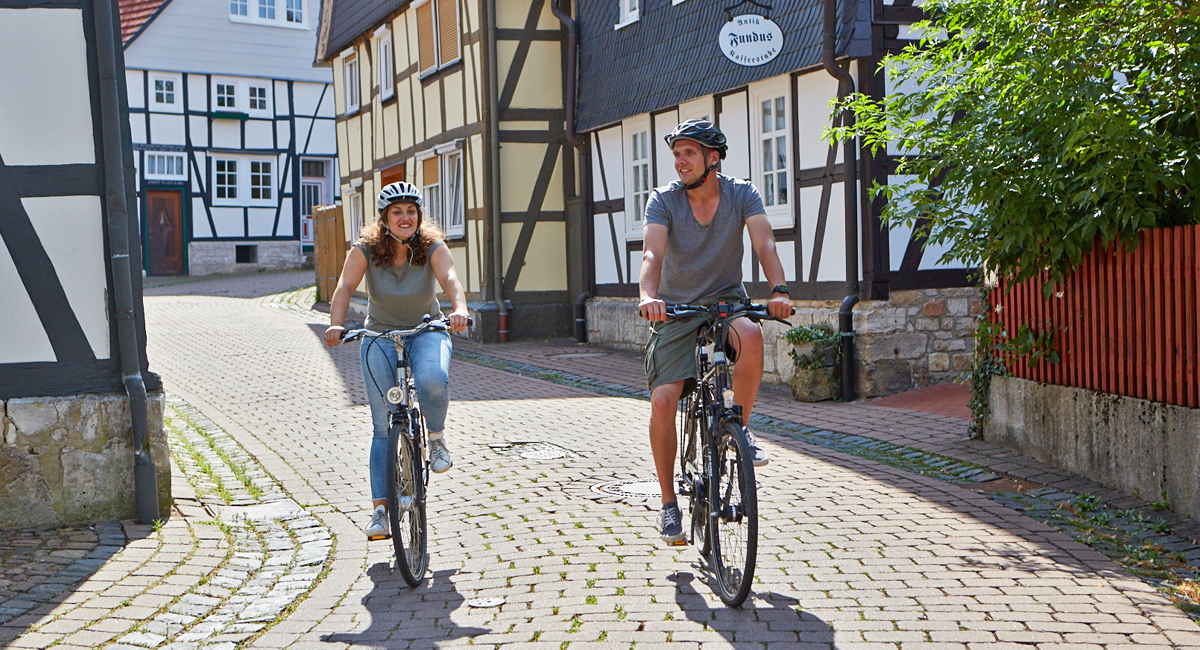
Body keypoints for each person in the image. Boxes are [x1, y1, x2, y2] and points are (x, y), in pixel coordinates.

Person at [638, 119, 793, 545]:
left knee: (752, 335)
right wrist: (649, 296)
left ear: (713, 157)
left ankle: (737, 428)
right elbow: (652, 252)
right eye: (677, 153)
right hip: (676, 308)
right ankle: (669, 504)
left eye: (688, 152)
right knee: (664, 400)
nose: (679, 161)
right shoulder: (664, 200)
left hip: (726, 299)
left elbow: (765, 244)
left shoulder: (742, 193)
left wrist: (778, 289)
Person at [324, 181, 470, 540]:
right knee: (381, 426)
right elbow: (344, 286)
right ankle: (379, 512)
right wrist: (336, 324)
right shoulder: (366, 250)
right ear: (384, 219)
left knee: (432, 378)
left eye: (411, 211)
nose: (405, 217)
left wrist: (460, 309)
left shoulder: (432, 246)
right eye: (397, 212)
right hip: (379, 336)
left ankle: (435, 437)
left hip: (426, 331)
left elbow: (449, 277)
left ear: (419, 216)